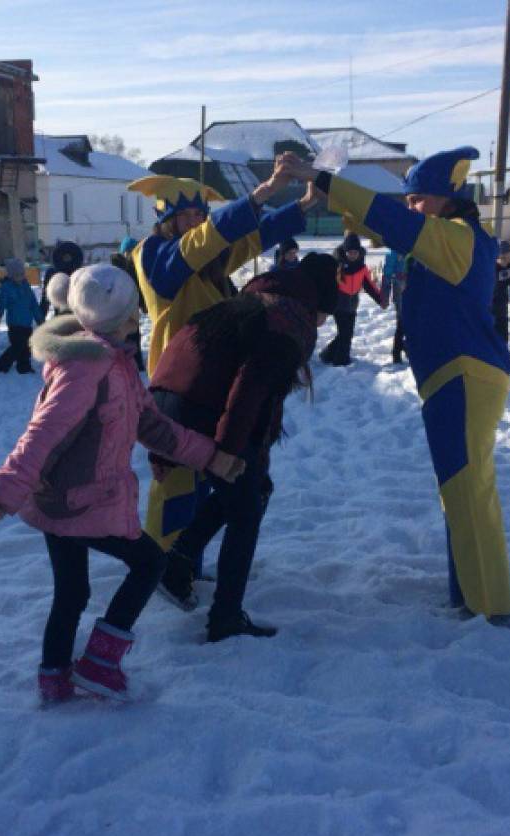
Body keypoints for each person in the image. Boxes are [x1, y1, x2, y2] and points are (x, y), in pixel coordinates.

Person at [0, 264, 240, 701]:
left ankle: (55, 677)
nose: (139, 320)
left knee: (72, 591)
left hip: (63, 500)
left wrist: (211, 457)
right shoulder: (87, 369)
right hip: (81, 502)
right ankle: (99, 663)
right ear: (125, 318)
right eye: (135, 313)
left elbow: (153, 427)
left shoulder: (114, 363)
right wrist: (0, 495)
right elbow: (43, 434)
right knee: (149, 563)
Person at [284, 147, 510, 621]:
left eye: (419, 199)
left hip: (464, 374)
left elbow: (393, 221)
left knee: (468, 491)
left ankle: (488, 604)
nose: (411, 208)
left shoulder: (455, 236)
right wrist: (327, 199)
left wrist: (325, 180)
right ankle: (472, 592)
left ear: (447, 198)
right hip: (454, 375)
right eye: (408, 200)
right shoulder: (445, 236)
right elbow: (383, 225)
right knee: (462, 490)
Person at [152, 253, 340, 640]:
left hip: (168, 401)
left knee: (245, 487)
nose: (324, 323)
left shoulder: (254, 300)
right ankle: (225, 617)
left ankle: (177, 566)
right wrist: (227, 451)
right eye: (327, 314)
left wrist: (163, 442)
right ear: (318, 302)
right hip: (203, 406)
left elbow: (186, 365)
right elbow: (251, 389)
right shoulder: (289, 323)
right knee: (246, 507)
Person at [127, 159, 309, 554]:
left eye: (200, 214)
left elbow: (250, 239)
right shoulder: (154, 253)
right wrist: (262, 193)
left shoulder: (209, 262)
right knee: (175, 478)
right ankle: (158, 560)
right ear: (167, 219)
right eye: (187, 214)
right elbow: (201, 244)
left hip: (214, 383)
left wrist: (305, 205)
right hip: (175, 386)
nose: (195, 221)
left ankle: (182, 560)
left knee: (212, 475)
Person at [320, 232, 383, 367]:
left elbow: (369, 285)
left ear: (359, 252)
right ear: (345, 251)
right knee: (345, 333)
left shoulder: (361, 267)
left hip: (353, 304)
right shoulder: (337, 266)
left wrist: (380, 299)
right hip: (339, 304)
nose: (352, 255)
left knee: (346, 333)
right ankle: (341, 360)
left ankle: (327, 355)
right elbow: (328, 285)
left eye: (355, 252)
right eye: (350, 252)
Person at [0, 257, 43, 374]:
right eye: (17, 275)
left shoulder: (26, 286)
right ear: (11, 275)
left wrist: (40, 318)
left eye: (21, 274)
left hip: (27, 323)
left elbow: (33, 304)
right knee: (17, 346)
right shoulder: (6, 288)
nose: (20, 277)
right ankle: (1, 364)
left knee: (26, 347)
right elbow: (1, 304)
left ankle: (24, 366)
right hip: (15, 324)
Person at [39, 240, 84, 320]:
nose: (67, 259)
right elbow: (45, 298)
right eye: (65, 257)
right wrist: (40, 318)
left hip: (77, 315)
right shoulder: (52, 273)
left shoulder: (80, 272)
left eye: (68, 257)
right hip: (61, 314)